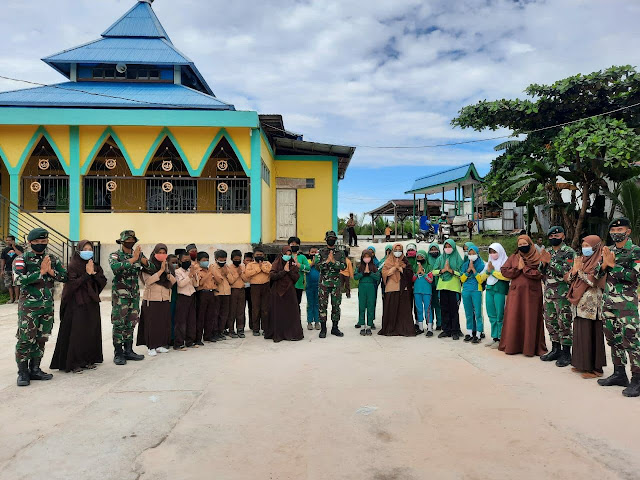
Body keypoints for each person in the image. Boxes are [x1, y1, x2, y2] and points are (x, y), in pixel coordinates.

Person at [14, 228, 68, 386]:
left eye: (43, 242)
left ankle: (35, 369)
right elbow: (17, 280)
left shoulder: (52, 258)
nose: (40, 245)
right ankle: (23, 372)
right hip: (28, 308)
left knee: (41, 338)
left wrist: (51, 272)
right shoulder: (21, 259)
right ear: (30, 243)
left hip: (46, 307)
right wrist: (40, 272)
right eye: (37, 242)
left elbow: (65, 277)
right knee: (25, 340)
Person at [595, 218, 640, 397]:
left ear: (628, 231)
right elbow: (597, 274)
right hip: (609, 303)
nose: (615, 232)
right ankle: (619, 374)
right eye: (613, 230)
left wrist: (613, 266)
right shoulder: (609, 251)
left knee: (631, 341)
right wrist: (604, 264)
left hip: (626, 304)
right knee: (613, 340)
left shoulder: (635, 251)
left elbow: (635, 277)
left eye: (620, 229)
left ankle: (637, 379)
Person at [50, 240, 106, 373]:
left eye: (90, 249)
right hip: (76, 304)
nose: (88, 251)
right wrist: (86, 274)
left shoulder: (94, 265)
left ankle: (87, 360)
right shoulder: (73, 266)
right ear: (79, 250)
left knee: (90, 331)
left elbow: (102, 281)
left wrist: (92, 274)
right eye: (85, 249)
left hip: (91, 302)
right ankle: (74, 362)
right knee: (77, 332)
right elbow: (72, 285)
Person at [498, 235, 547, 357]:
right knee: (515, 318)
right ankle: (513, 346)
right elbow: (504, 270)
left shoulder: (537, 257)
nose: (522, 247)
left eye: (525, 244)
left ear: (530, 244)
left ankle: (530, 348)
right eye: (520, 245)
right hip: (516, 294)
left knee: (530, 318)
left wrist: (524, 268)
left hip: (532, 295)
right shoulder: (514, 257)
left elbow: (541, 273)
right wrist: (516, 269)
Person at [565, 235, 607, 379]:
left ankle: (595, 369)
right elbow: (569, 278)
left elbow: (593, 280)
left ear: (595, 247)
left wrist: (580, 271)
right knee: (580, 334)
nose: (585, 248)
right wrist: (575, 270)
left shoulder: (600, 260)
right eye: (583, 246)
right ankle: (581, 364)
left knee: (591, 335)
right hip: (579, 304)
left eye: (588, 246)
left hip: (592, 307)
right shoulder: (582, 260)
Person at [539, 226, 576, 367]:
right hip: (548, 293)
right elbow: (540, 270)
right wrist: (543, 263)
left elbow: (568, 272)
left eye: (557, 235)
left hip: (562, 294)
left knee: (564, 323)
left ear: (563, 236)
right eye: (551, 236)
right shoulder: (547, 251)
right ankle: (556, 349)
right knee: (550, 322)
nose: (554, 238)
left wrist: (550, 262)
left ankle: (566, 353)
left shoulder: (569, 252)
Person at [109, 230, 147, 366]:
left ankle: (128, 350)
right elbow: (115, 267)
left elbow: (151, 268)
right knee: (119, 323)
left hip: (134, 295)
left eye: (132, 240)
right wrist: (133, 259)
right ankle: (118, 353)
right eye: (128, 240)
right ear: (122, 241)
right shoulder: (115, 255)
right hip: (120, 296)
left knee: (131, 322)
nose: (130, 242)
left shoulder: (138, 254)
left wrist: (144, 261)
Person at [137, 244, 176, 356]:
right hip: (151, 299)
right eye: (160, 252)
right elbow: (148, 281)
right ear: (154, 253)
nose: (162, 255)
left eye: (164, 253)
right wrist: (160, 271)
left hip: (164, 298)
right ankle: (151, 347)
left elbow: (173, 282)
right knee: (152, 324)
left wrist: (167, 271)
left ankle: (159, 345)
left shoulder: (167, 266)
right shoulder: (147, 266)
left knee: (162, 323)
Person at [265, 246, 304, 342]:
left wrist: (289, 270)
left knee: (291, 312)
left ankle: (291, 333)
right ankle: (278, 333)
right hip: (277, 292)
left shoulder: (292, 264)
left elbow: (296, 277)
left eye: (289, 254)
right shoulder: (276, 263)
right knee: (278, 313)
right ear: (282, 254)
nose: (288, 256)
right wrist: (283, 271)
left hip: (290, 292)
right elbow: (272, 276)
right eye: (286, 254)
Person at [379, 244, 416, 337]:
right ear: (392, 250)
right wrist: (394, 268)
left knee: (403, 310)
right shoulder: (387, 261)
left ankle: (403, 329)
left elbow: (410, 273)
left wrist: (400, 268)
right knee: (391, 308)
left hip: (403, 288)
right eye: (396, 250)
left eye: (400, 250)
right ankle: (390, 329)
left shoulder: (405, 261)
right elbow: (384, 273)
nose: (398, 252)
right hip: (391, 287)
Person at [316, 230, 347, 338]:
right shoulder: (320, 252)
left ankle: (335, 328)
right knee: (322, 306)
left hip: (336, 283)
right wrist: (327, 262)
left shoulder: (340, 252)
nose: (331, 240)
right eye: (329, 238)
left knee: (336, 306)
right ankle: (323, 329)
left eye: (333, 238)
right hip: (323, 283)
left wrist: (334, 262)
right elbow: (317, 266)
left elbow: (344, 266)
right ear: (326, 239)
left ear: (335, 240)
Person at [432, 239, 463, 340]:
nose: (448, 248)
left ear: (454, 247)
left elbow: (462, 274)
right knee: (444, 309)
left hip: (454, 288)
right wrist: (443, 270)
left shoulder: (458, 259)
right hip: (442, 287)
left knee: (454, 310)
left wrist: (451, 271)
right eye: (446, 246)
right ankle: (446, 330)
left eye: (450, 246)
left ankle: (455, 331)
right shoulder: (441, 258)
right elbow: (434, 272)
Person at [481, 243, 509, 348]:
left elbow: (507, 277)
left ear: (500, 251)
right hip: (489, 290)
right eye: (491, 252)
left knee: (500, 315)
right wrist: (488, 272)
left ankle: (501, 338)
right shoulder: (489, 262)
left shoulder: (505, 262)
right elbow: (482, 277)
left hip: (500, 290)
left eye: (495, 252)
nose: (493, 254)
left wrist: (493, 272)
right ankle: (494, 337)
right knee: (491, 314)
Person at [173, 252, 199, 350]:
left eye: (189, 260)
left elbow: (196, 284)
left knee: (191, 320)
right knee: (181, 321)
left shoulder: (190, 271)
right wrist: (190, 275)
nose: (187, 262)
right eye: (185, 260)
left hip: (191, 296)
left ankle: (190, 341)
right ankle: (179, 343)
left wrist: (194, 274)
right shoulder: (178, 272)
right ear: (180, 261)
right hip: (183, 297)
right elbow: (181, 284)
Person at [461, 243, 485, 343]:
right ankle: (470, 333)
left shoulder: (482, 265)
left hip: (476, 290)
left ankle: (479, 334)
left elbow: (480, 280)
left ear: (477, 254)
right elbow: (462, 279)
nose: (471, 255)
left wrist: (474, 270)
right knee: (468, 313)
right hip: (466, 290)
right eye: (469, 253)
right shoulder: (465, 265)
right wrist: (468, 270)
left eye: (473, 253)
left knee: (478, 313)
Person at [245, 247, 272, 336]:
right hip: (255, 287)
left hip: (266, 286)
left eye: (261, 255)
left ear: (264, 255)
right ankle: (255, 329)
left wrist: (262, 267)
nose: (259, 256)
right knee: (255, 308)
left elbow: (270, 272)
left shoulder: (267, 263)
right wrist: (258, 269)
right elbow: (248, 274)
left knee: (265, 308)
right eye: (257, 255)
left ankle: (265, 328)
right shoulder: (250, 264)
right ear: (254, 256)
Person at [354, 249, 381, 335]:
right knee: (362, 306)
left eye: (368, 257)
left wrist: (370, 273)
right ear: (362, 258)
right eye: (365, 257)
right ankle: (362, 325)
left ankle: (369, 325)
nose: (366, 258)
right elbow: (355, 277)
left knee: (370, 306)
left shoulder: (374, 267)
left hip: (371, 287)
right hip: (362, 287)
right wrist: (363, 273)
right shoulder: (359, 267)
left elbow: (378, 277)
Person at [413, 250, 434, 336]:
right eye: (418, 257)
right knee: (419, 309)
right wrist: (417, 273)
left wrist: (423, 273)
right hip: (417, 291)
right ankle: (421, 328)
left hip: (427, 291)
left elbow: (431, 280)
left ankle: (429, 328)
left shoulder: (429, 267)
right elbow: (412, 280)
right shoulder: (414, 267)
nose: (420, 259)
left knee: (428, 309)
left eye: (422, 257)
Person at [228, 249, 248, 338]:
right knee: (232, 310)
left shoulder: (243, 267)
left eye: (239, 259)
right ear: (232, 259)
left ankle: (240, 329)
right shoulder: (229, 267)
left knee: (241, 310)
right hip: (233, 290)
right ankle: (231, 330)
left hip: (242, 290)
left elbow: (246, 279)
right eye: (235, 259)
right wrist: (237, 274)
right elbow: (231, 281)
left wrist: (241, 273)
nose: (237, 261)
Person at [288, 237, 310, 308]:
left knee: (297, 303)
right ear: (289, 245)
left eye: (296, 244)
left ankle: (296, 318)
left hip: (299, 284)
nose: (294, 246)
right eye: (292, 244)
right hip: (287, 285)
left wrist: (299, 265)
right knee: (287, 304)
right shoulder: (286, 256)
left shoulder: (302, 257)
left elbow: (308, 268)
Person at [427, 242, 442, 331]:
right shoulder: (427, 260)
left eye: (435, 249)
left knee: (438, 305)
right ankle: (430, 323)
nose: (433, 251)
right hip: (428, 286)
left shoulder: (441, 259)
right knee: (430, 305)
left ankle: (440, 323)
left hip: (439, 285)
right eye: (432, 250)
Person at [1, 235, 20, 303]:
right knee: (9, 285)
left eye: (9, 240)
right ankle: (11, 298)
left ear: (13, 241)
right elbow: (3, 260)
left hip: (16, 268)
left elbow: (21, 255)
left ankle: (17, 299)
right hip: (8, 269)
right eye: (7, 240)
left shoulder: (19, 248)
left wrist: (14, 247)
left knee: (16, 284)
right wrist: (2, 270)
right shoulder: (4, 250)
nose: (8, 242)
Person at [306, 247, 321, 330]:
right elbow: (306, 269)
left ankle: (317, 321)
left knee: (317, 304)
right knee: (310, 304)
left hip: (319, 286)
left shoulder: (320, 263)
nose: (314, 254)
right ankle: (309, 321)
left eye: (316, 252)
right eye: (312, 252)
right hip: (310, 286)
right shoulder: (307, 262)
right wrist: (312, 263)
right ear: (309, 253)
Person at [167, 253, 180, 345]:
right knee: (169, 318)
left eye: (176, 262)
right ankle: (169, 338)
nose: (175, 264)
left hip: (177, 298)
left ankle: (175, 336)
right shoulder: (166, 273)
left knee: (176, 318)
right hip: (169, 298)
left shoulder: (179, 272)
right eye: (172, 262)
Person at [243, 252, 254, 328]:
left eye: (251, 260)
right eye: (247, 260)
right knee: (241, 309)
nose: (249, 262)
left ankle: (253, 325)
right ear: (243, 261)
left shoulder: (254, 268)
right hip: (243, 289)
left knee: (252, 307)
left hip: (252, 289)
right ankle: (241, 327)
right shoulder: (241, 268)